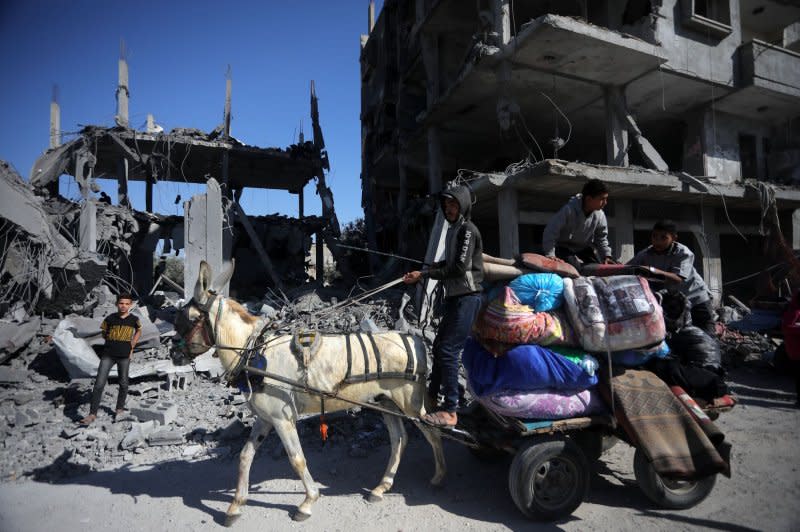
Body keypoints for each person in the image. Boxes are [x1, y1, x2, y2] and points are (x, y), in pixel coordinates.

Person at [403, 185, 483, 427]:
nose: (449, 209)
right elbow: (448, 261)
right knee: (439, 346)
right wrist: (424, 270)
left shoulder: (467, 230)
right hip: (455, 297)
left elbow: (458, 267)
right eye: (446, 205)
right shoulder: (453, 230)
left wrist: (425, 274)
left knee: (448, 350)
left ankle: (450, 409)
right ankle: (432, 396)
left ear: (463, 205)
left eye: (453, 204)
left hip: (468, 297)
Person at [627, 220, 716, 335]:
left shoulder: (683, 253)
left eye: (663, 238)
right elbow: (628, 268)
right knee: (675, 336)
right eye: (654, 236)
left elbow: (678, 279)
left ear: (674, 238)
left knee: (707, 335)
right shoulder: (646, 253)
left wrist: (652, 271)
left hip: (695, 298)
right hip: (674, 303)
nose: (657, 241)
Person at [79, 293, 142, 425]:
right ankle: (92, 414)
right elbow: (104, 333)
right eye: (121, 303)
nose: (123, 306)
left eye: (126, 304)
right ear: (116, 304)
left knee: (124, 383)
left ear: (130, 305)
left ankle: (119, 410)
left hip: (124, 356)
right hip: (108, 355)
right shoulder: (110, 318)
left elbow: (139, 331)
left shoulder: (134, 319)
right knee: (99, 384)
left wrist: (132, 345)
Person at [541, 178, 615, 268]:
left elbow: (601, 238)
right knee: (574, 266)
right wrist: (550, 255)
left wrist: (607, 255)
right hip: (563, 248)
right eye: (602, 199)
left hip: (583, 249)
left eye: (606, 199)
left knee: (597, 266)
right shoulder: (568, 210)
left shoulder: (600, 215)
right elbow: (550, 232)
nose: (605, 203)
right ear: (588, 199)